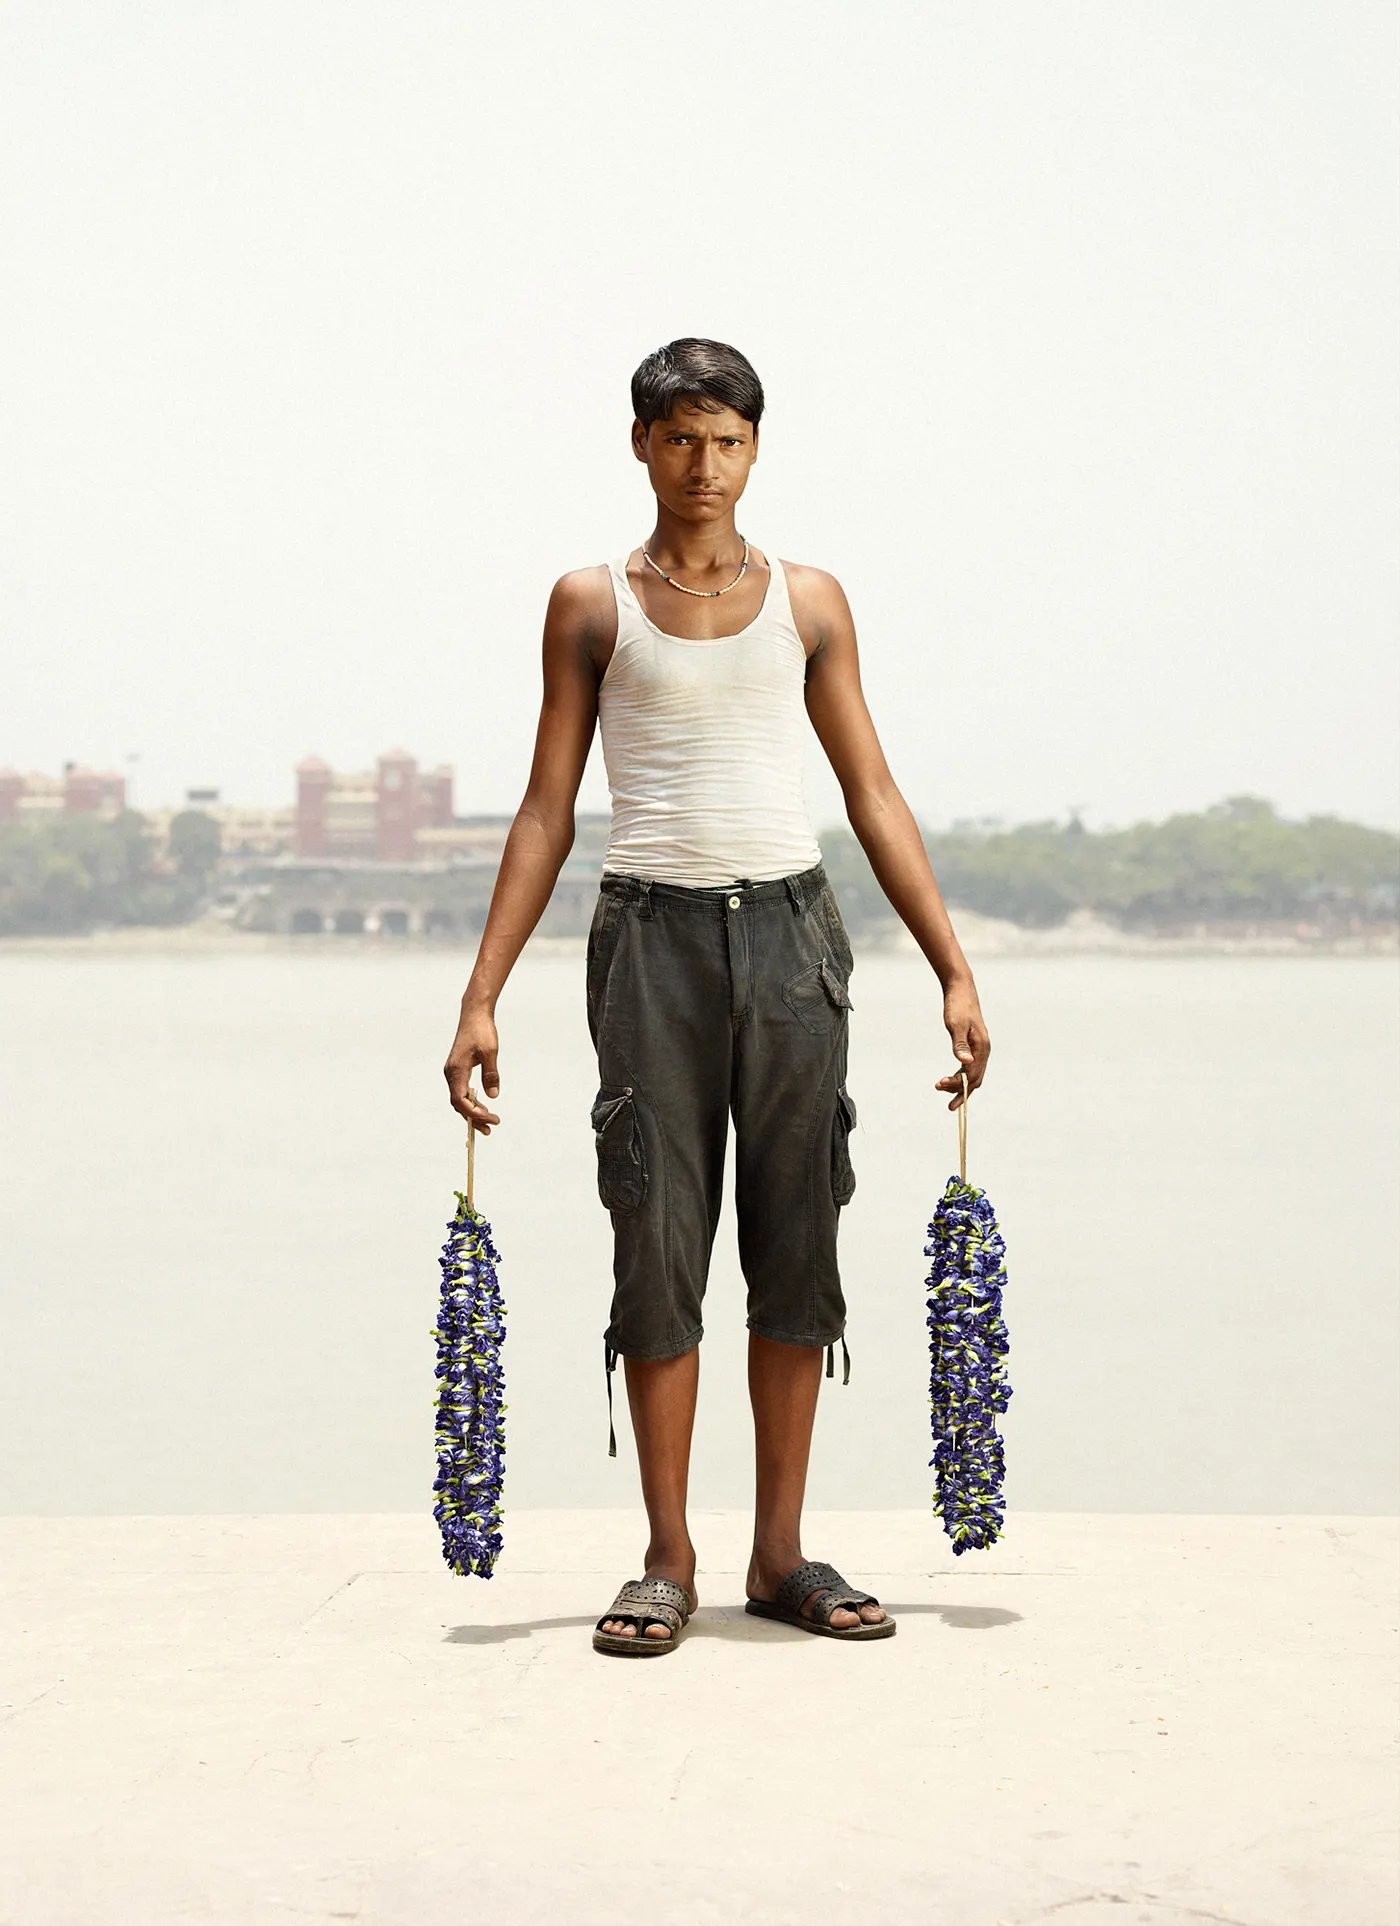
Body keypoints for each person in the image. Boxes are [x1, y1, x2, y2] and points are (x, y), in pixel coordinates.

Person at [444, 338, 990, 1655]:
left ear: (756, 449)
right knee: (657, 1235)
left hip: (794, 939)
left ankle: (781, 1551)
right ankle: (667, 1557)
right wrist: (481, 995)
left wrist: (954, 965)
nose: (706, 465)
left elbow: (871, 791)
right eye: (682, 438)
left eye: (729, 441)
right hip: (650, 944)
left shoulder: (811, 601)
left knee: (797, 1235)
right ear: (642, 443)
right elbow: (546, 808)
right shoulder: (592, 603)